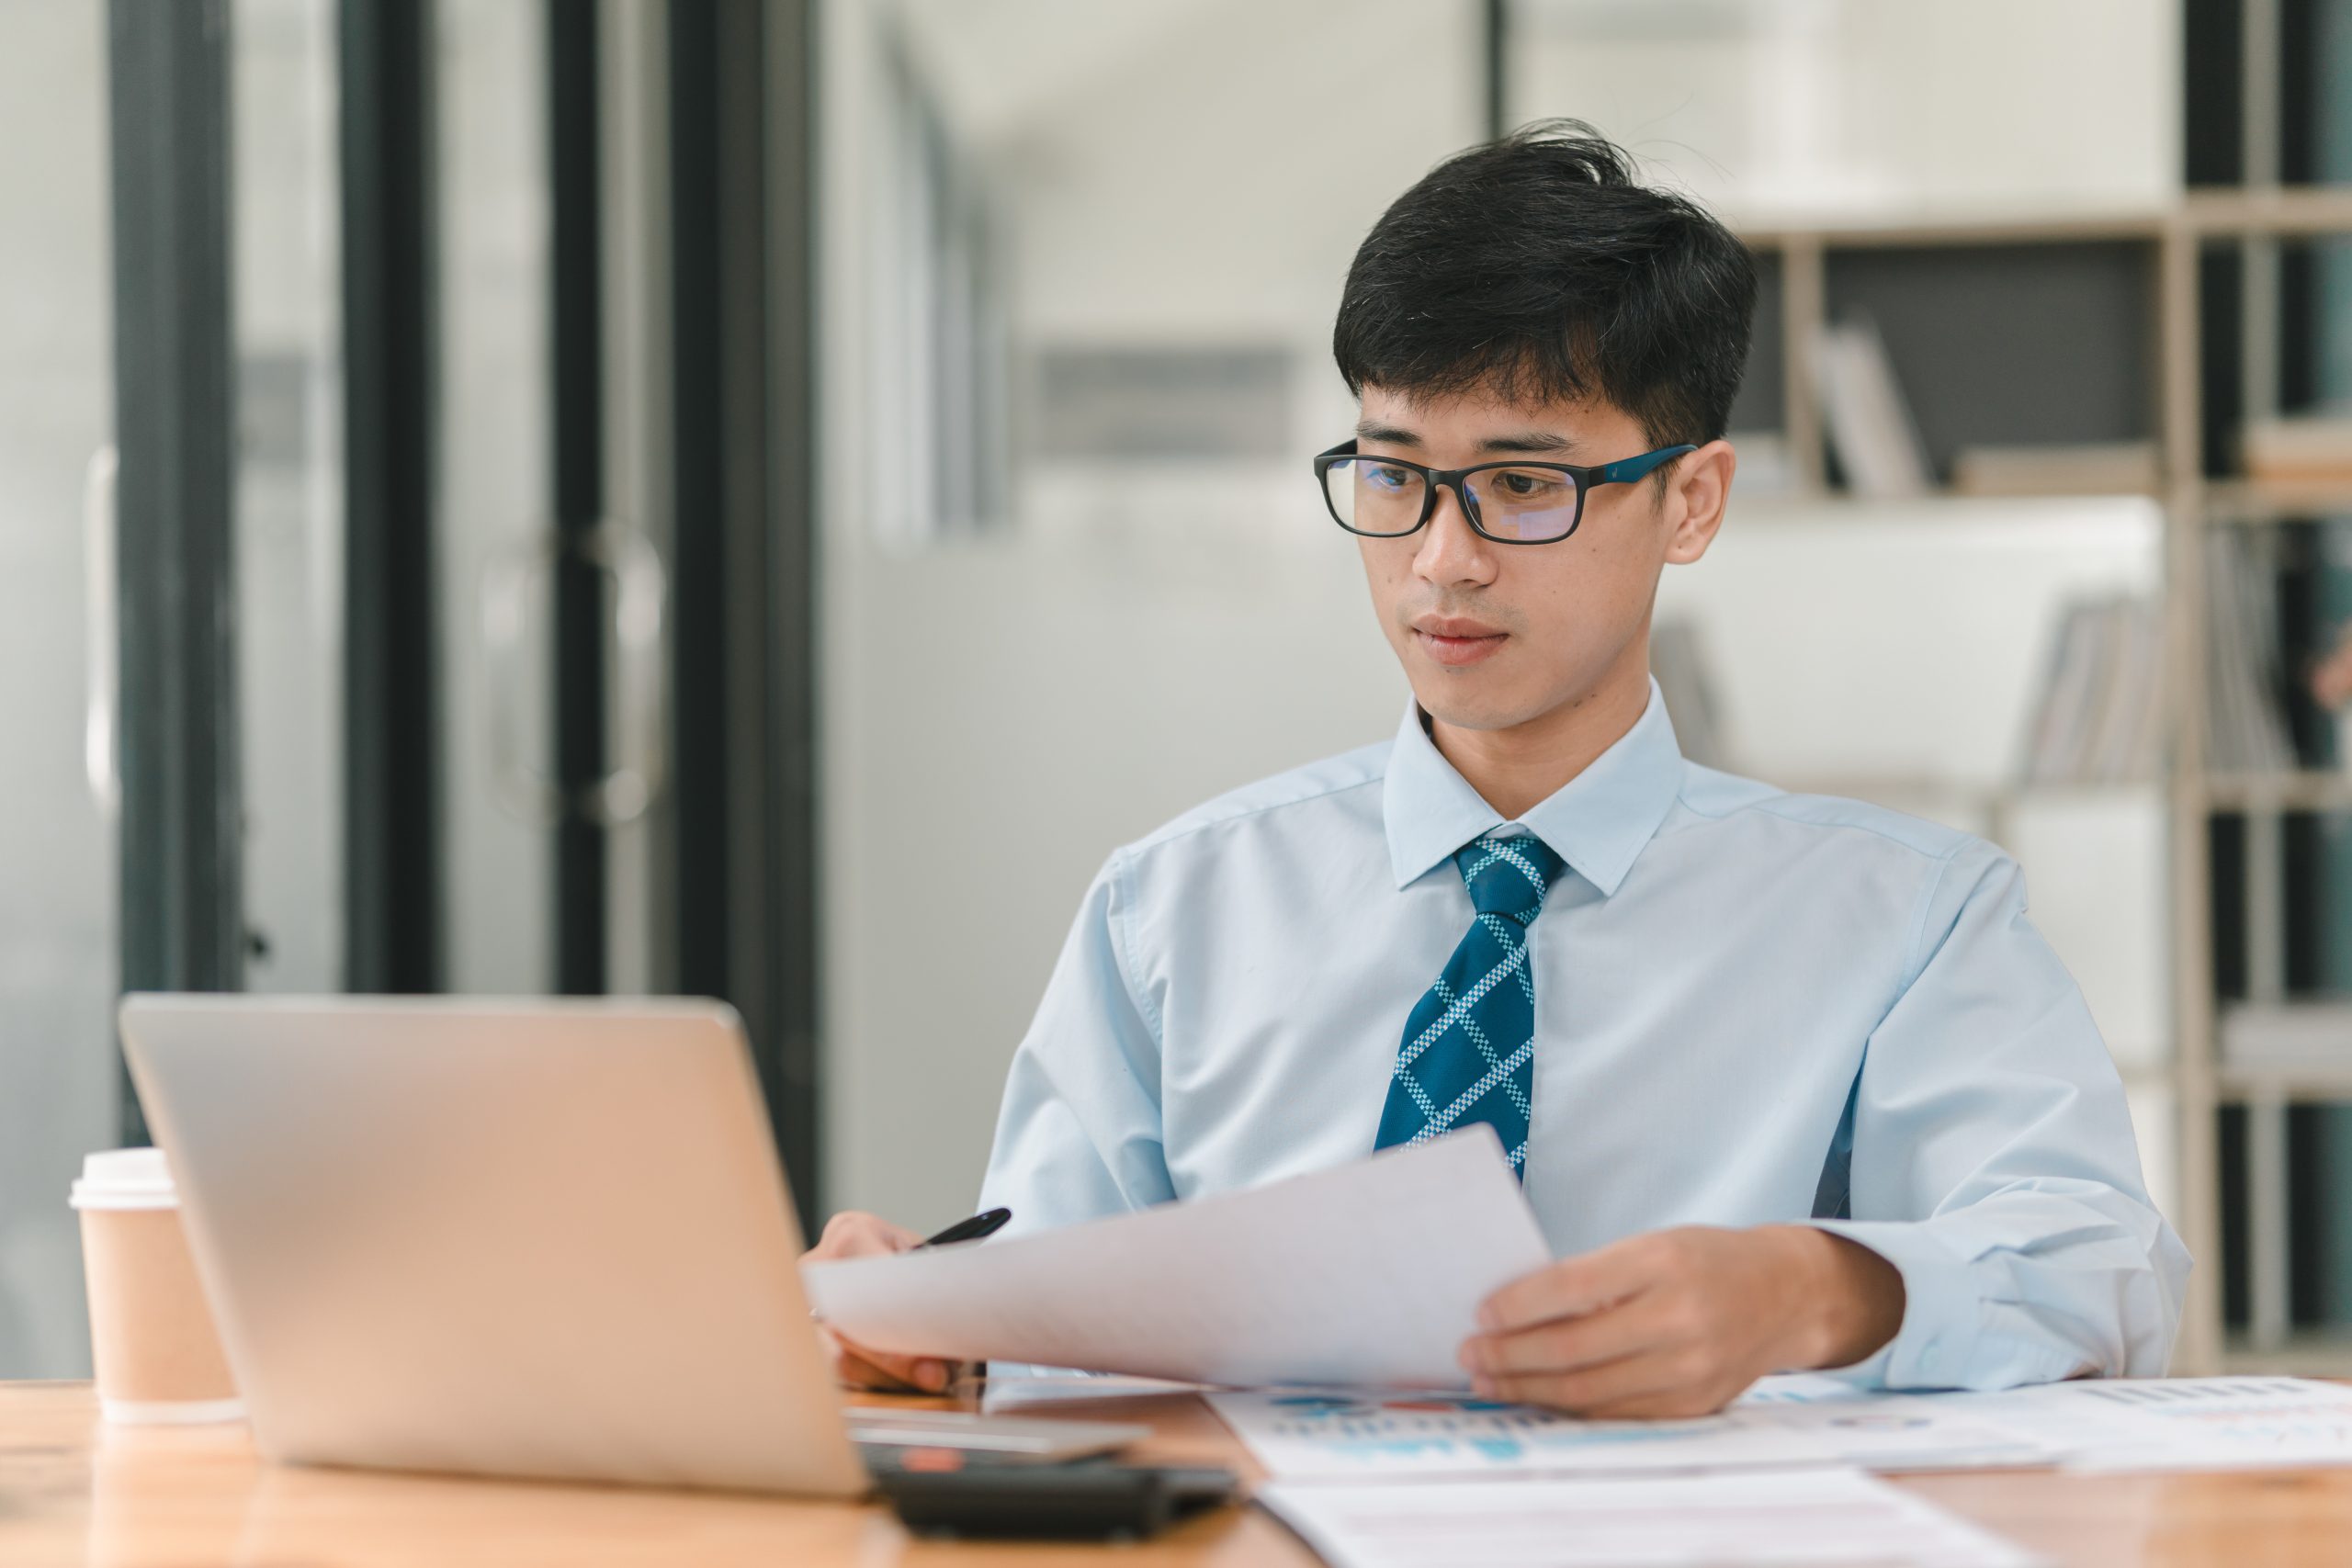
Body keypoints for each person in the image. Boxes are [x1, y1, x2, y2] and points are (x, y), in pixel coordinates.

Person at [807, 121, 2188, 1417]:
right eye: (1394, 474)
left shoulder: (1912, 919)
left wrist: (1810, 1291)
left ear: (1690, 501)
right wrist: (942, 1333)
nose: (1440, 560)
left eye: (1524, 485)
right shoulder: (1170, 910)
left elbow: (2096, 1275)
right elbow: (1058, 1329)